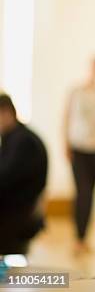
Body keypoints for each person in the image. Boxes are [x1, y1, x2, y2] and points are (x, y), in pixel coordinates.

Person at [63, 56, 95, 254]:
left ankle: (84, 237)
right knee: (82, 192)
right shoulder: (76, 91)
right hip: (79, 147)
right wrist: (65, 143)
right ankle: (78, 236)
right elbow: (65, 117)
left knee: (90, 194)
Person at [0, 93, 48, 254]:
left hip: (19, 215)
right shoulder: (16, 138)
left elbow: (5, 178)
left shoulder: (23, 141)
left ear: (6, 113)